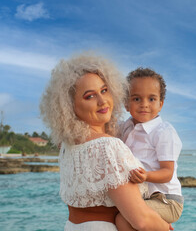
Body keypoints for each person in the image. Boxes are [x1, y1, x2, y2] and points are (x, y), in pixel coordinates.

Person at [39, 53, 171, 231]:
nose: (102, 101)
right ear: (69, 107)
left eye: (104, 90)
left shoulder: (66, 146)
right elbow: (141, 220)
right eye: (90, 96)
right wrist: (164, 226)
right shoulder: (107, 146)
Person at [116, 67, 183, 230]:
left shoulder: (163, 132)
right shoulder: (126, 127)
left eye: (151, 99)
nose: (144, 105)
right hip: (142, 197)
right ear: (126, 103)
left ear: (160, 104)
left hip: (167, 200)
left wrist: (146, 175)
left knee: (123, 220)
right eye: (137, 99)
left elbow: (167, 172)